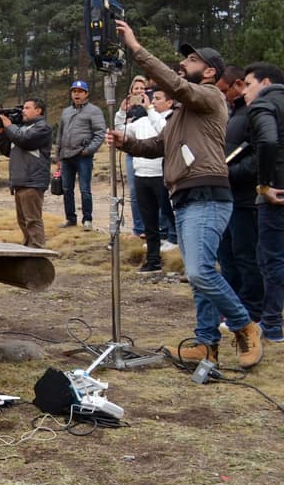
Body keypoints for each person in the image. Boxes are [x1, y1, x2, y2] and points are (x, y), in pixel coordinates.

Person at [105, 28, 262, 368]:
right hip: (186, 197)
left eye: (191, 59)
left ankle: (245, 326)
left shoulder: (208, 96)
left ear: (209, 72)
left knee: (201, 272)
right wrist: (126, 142)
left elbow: (175, 85)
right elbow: (158, 146)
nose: (182, 62)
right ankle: (206, 343)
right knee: (200, 276)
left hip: (206, 194)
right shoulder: (181, 114)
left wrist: (135, 48)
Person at [216, 65, 264, 320]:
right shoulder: (233, 114)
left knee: (246, 256)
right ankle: (232, 308)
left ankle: (251, 310)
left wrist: (229, 172)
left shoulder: (256, 115)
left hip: (246, 199)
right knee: (228, 256)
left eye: (224, 91)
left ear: (237, 85)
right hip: (227, 197)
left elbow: (259, 158)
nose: (222, 97)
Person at [244, 61, 284, 342]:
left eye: (248, 84)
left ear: (266, 83)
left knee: (271, 260)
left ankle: (271, 325)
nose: (244, 91)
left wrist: (264, 183)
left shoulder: (263, 105)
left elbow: (268, 142)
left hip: (277, 195)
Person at [128, 88, 175, 272]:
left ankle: (182, 253)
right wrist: (123, 111)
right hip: (141, 175)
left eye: (158, 98)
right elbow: (122, 131)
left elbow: (164, 133)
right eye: (152, 98)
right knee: (149, 222)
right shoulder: (142, 120)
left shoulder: (171, 119)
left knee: (171, 216)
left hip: (161, 176)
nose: (152, 101)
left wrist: (149, 109)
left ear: (169, 102)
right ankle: (153, 259)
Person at [0, 98, 52, 247]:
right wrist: (1, 133)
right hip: (20, 181)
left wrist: (9, 125)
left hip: (32, 180)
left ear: (38, 110)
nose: (23, 111)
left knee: (33, 220)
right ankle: (29, 250)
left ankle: (38, 252)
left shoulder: (42, 127)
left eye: (27, 108)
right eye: (23, 108)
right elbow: (7, 151)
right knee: (23, 222)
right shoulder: (19, 129)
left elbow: (25, 140)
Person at [55, 80, 106, 229]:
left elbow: (100, 133)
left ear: (86, 93)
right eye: (74, 91)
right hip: (66, 156)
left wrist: (88, 150)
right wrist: (58, 156)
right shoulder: (66, 111)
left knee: (85, 189)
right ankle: (70, 218)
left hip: (83, 156)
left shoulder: (94, 111)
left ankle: (87, 219)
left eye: (80, 91)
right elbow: (60, 134)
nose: (76, 94)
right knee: (66, 189)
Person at [116, 75, 151, 238]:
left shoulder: (152, 106)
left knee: (152, 191)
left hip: (151, 151)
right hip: (132, 152)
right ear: (131, 91)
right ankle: (139, 227)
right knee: (134, 190)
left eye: (142, 88)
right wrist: (122, 111)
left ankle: (154, 226)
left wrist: (148, 107)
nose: (139, 91)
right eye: (136, 88)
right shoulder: (126, 109)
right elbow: (119, 129)